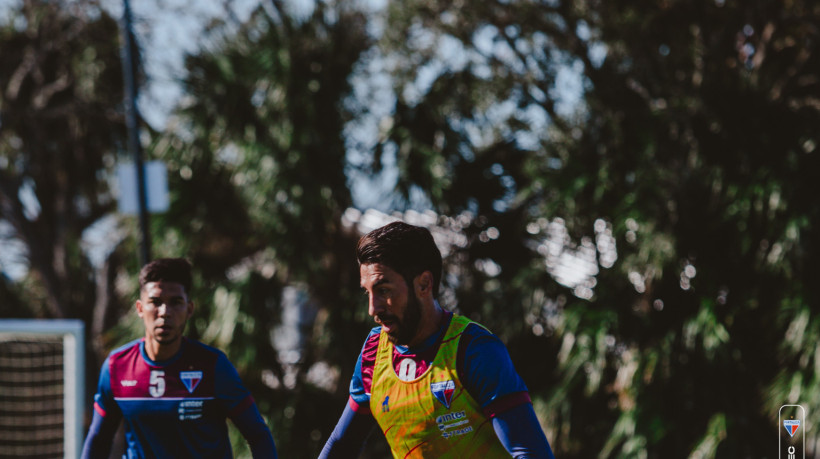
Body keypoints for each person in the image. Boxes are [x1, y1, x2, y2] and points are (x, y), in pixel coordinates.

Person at [320, 222, 555, 458]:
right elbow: (342, 445)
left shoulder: (473, 349)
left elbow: (530, 453)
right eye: (368, 292)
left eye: (384, 290)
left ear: (424, 284)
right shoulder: (374, 353)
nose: (373, 308)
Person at [81, 258, 277, 458]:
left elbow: (258, 434)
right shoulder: (117, 366)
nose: (165, 312)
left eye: (175, 302)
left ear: (189, 309)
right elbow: (98, 439)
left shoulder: (213, 366)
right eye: (155, 302)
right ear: (140, 309)